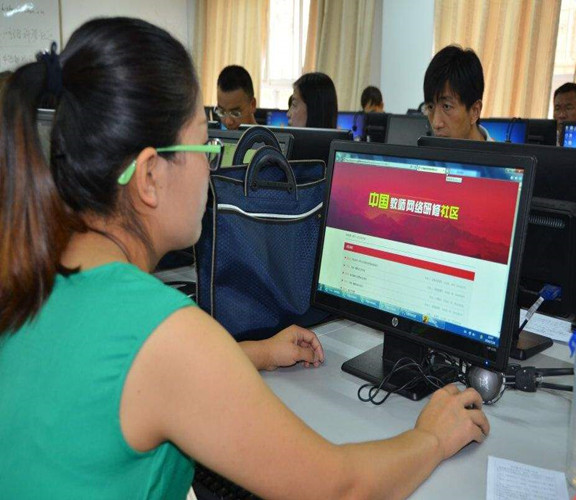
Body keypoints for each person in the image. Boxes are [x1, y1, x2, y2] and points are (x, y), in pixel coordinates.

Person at [0, 17, 489, 499]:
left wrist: (258, 353)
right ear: (149, 176)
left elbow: (143, 376)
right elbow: (338, 486)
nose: (211, 166)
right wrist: (432, 437)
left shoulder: (29, 272)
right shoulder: (162, 332)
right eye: (204, 146)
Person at [423, 45, 492, 141]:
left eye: (446, 106)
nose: (436, 123)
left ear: (474, 111)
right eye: (430, 107)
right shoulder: (424, 150)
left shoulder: (500, 152)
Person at [215, 64, 257, 130]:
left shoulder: (270, 137)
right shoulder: (212, 136)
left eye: (235, 113)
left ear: (252, 105)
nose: (228, 122)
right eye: (222, 112)